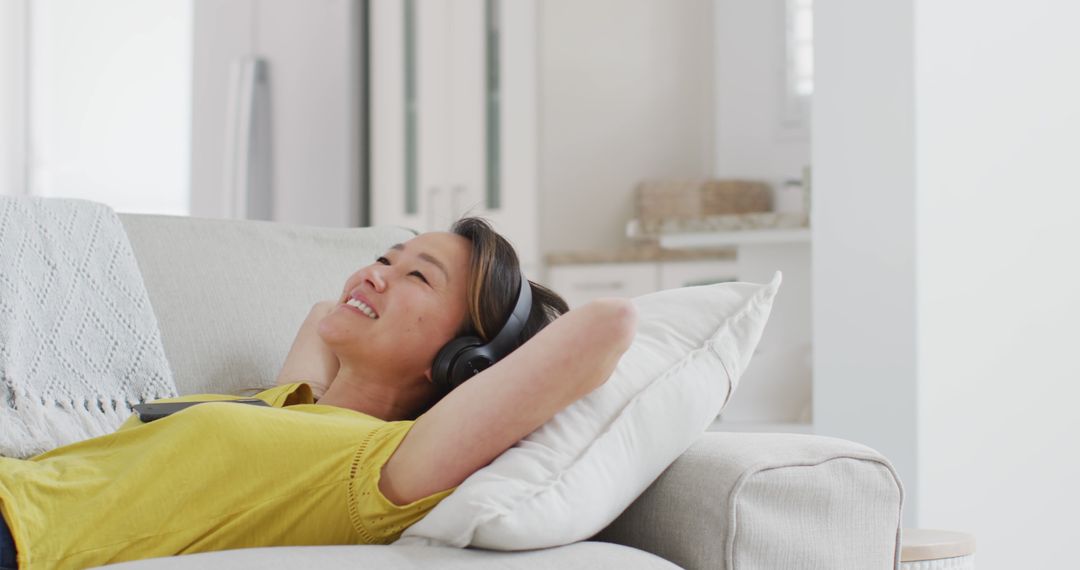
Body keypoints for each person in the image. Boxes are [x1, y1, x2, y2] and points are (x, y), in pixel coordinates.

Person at [0, 217, 637, 570]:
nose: (376, 274)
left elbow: (609, 326)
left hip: (20, 535)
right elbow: (318, 313)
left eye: (418, 275)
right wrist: (381, 291)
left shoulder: (379, 465)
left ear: (463, 361)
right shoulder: (295, 404)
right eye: (385, 258)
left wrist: (481, 365)